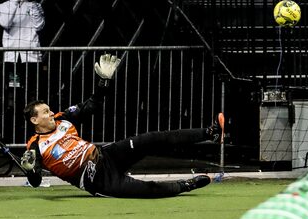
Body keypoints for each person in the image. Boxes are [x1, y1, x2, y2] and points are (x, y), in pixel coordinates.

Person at [20, 53, 223, 198]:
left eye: (49, 109)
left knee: (153, 139)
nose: (51, 113)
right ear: (34, 120)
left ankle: (210, 132)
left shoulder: (65, 118)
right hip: (96, 180)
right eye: (45, 112)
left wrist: (103, 82)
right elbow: (36, 182)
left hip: (106, 155)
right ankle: (185, 185)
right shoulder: (35, 147)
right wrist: (29, 170)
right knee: (148, 190)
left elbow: (92, 105)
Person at [0, 0, 45, 88]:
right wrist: (16, 0)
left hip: (32, 57)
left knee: (33, 91)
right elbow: (5, 23)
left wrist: (32, 2)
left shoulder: (35, 5)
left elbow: (39, 26)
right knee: (13, 92)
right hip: (12, 57)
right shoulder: (3, 7)